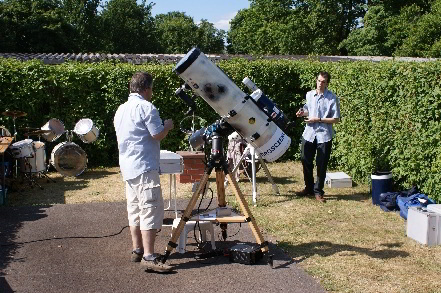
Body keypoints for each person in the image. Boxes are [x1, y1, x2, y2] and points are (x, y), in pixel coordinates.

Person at [114, 71, 174, 272]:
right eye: (151, 89)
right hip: (145, 166)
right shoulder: (146, 107)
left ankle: (137, 249)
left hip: (128, 167)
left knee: (135, 209)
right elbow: (157, 134)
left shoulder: (121, 109)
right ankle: (149, 256)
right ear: (146, 88)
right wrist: (167, 126)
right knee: (149, 208)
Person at [296, 71, 340, 203]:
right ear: (316, 80)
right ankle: (309, 188)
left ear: (327, 83)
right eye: (319, 81)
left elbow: (336, 119)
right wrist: (302, 112)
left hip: (324, 136)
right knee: (305, 160)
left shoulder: (332, 98)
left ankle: (318, 191)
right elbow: (308, 109)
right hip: (309, 134)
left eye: (323, 82)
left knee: (321, 164)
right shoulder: (309, 95)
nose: (320, 84)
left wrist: (319, 119)